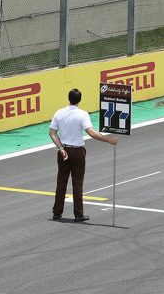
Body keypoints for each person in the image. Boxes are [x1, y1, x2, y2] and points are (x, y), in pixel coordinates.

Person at [48, 88, 118, 222]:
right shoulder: (82, 114)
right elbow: (91, 133)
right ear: (80, 100)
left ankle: (57, 212)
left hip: (63, 151)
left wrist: (61, 148)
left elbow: (52, 133)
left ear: (68, 98)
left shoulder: (59, 112)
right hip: (77, 152)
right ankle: (78, 214)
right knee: (77, 184)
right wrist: (109, 140)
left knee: (61, 183)